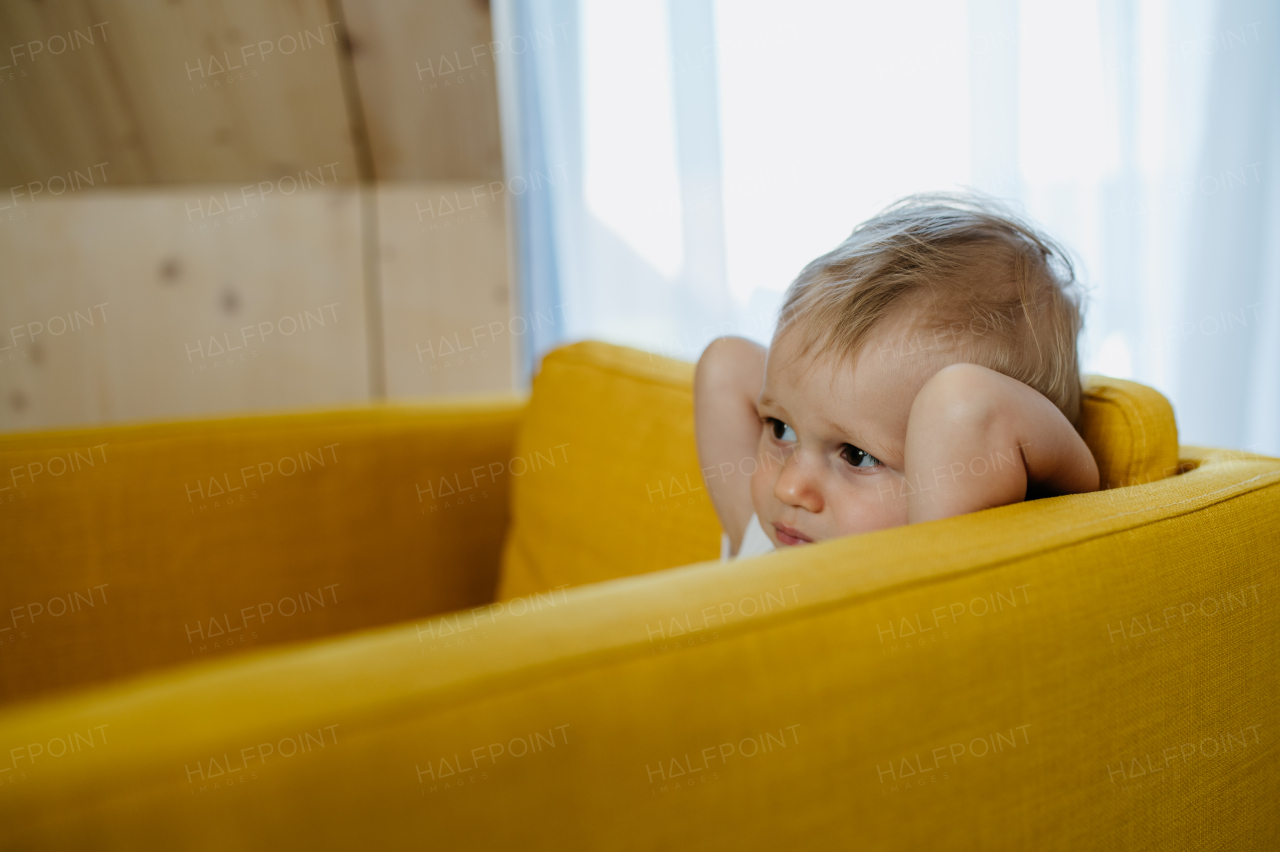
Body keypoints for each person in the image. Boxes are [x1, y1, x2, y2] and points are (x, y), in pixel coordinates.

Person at [694, 192, 1100, 559]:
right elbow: (725, 364)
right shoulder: (768, 541)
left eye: (857, 455)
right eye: (781, 429)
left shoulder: (932, 595)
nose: (789, 488)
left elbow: (966, 407)